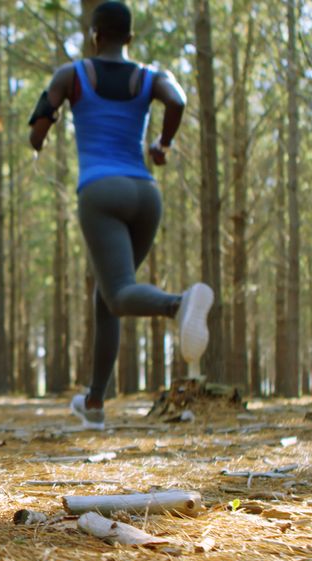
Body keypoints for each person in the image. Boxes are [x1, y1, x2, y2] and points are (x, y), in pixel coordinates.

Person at [27, 1, 213, 428]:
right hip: (146, 195)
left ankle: (179, 305)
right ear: (129, 38)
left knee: (118, 293)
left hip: (101, 192)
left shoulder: (71, 75)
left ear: (94, 35)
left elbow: (37, 131)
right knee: (107, 295)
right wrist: (161, 144)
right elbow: (178, 100)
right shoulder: (150, 77)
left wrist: (43, 131)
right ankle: (94, 404)